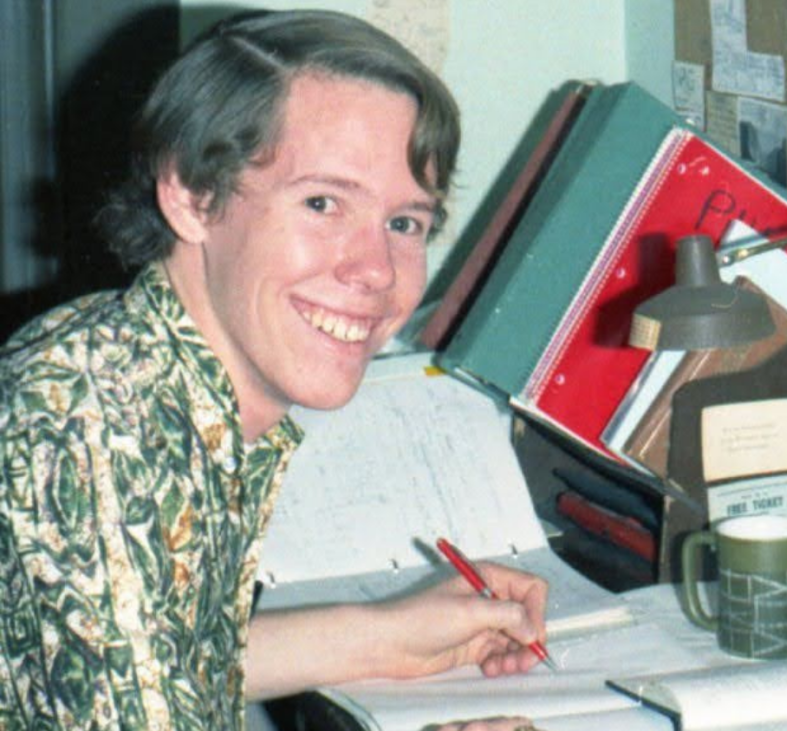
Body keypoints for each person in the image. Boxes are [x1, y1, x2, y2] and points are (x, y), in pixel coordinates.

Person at [0, 11, 548, 731]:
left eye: (405, 223)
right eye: (322, 203)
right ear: (193, 197)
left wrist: (384, 633)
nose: (376, 270)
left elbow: (158, 656)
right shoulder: (89, 421)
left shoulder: (149, 363)